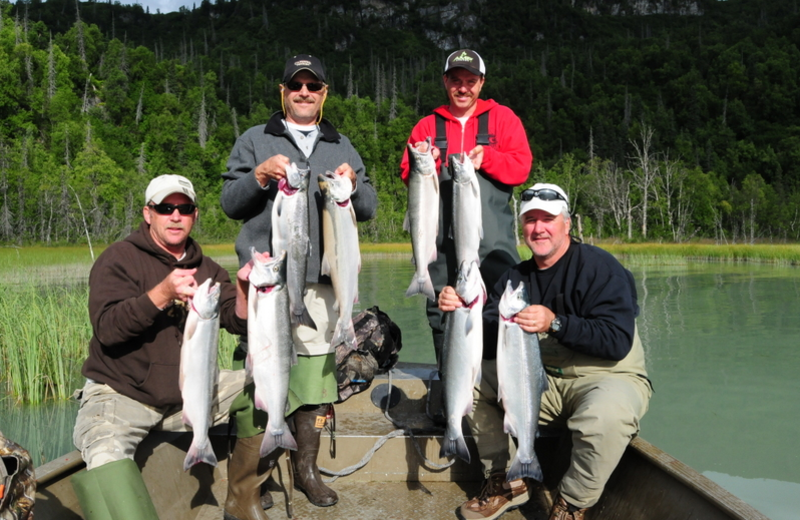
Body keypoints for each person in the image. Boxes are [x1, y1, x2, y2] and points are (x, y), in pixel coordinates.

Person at [220, 54, 377, 520]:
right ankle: (253, 479)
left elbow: (368, 207)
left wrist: (354, 185)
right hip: (265, 283)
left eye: (313, 86)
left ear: (324, 94)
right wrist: (259, 176)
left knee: (312, 384)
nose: (304, 92)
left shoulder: (341, 144)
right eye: (296, 86)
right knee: (259, 381)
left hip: (321, 286)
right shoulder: (255, 139)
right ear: (283, 91)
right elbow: (230, 201)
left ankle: (306, 469)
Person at [438, 183, 652, 520]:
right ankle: (508, 479)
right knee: (471, 383)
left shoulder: (600, 268)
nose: (538, 228)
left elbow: (616, 341)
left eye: (548, 219)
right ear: (521, 228)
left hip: (606, 376)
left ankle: (572, 503)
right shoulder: (514, 279)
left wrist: (556, 323)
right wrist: (462, 310)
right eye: (530, 220)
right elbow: (489, 336)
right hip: (541, 380)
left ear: (567, 223)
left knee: (605, 416)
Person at [70, 174, 251, 520]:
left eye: (184, 209)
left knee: (268, 386)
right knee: (106, 458)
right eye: (166, 208)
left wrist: (244, 289)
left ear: (195, 215)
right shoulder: (118, 259)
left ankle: (243, 500)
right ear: (148, 213)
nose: (175, 216)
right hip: (121, 395)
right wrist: (162, 294)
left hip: (189, 397)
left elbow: (235, 320)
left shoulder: (208, 270)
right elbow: (108, 329)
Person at [399, 48, 533, 366]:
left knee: (502, 314)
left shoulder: (503, 119)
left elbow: (521, 167)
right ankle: (453, 397)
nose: (463, 88)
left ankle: (497, 392)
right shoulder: (426, 126)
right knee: (444, 317)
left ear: (481, 83)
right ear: (445, 82)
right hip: (441, 253)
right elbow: (408, 173)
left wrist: (490, 158)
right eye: (456, 80)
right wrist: (425, 163)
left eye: (470, 81)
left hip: (493, 250)